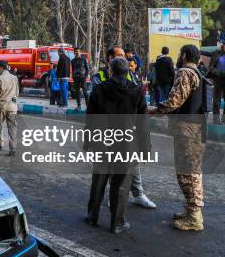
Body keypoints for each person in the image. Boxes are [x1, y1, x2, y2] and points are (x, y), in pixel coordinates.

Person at [85, 57, 150, 234]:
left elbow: (91, 119)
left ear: (110, 71)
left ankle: (93, 216)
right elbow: (143, 124)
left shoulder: (99, 89)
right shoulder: (137, 91)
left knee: (99, 180)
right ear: (128, 72)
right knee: (121, 185)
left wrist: (87, 143)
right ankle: (117, 223)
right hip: (127, 144)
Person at [92, 46, 156, 209]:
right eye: (119, 56)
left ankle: (138, 194)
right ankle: (109, 200)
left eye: (124, 56)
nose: (124, 59)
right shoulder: (99, 78)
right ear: (109, 59)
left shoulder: (130, 75)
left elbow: (137, 99)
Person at [153, 45, 206, 231]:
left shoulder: (184, 72)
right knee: (192, 170)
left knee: (188, 172)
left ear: (183, 55)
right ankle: (192, 210)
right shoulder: (197, 72)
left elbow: (175, 101)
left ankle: (194, 217)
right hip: (196, 126)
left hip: (187, 128)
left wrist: (156, 110)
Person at [0, 60, 19, 155]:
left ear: (1, 68)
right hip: (13, 106)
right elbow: (17, 93)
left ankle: (0, 144)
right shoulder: (15, 78)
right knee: (12, 127)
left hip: (2, 105)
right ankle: (12, 148)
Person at [207, 43, 225, 124]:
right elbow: (212, 67)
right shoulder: (216, 53)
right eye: (224, 47)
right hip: (218, 79)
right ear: (222, 47)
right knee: (217, 100)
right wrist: (215, 72)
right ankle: (216, 120)